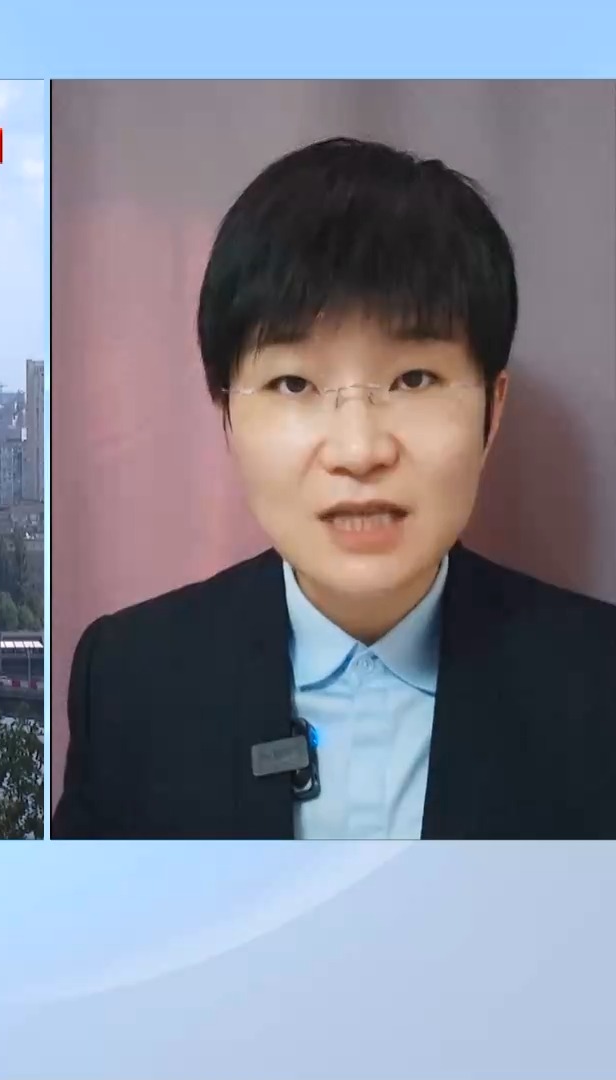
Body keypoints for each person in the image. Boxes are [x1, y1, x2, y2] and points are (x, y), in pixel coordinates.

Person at [54, 137, 616, 840]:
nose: (359, 451)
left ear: (491, 410)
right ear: (226, 412)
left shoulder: (598, 684)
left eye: (414, 379)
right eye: (294, 383)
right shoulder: (130, 680)